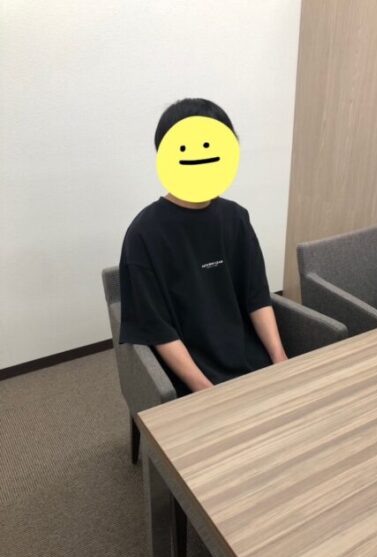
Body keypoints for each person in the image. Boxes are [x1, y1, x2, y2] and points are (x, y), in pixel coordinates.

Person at [118, 98, 287, 398]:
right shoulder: (144, 234)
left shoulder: (235, 217)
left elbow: (256, 296)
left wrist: (280, 359)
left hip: (248, 360)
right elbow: (156, 327)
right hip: (189, 376)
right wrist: (207, 392)